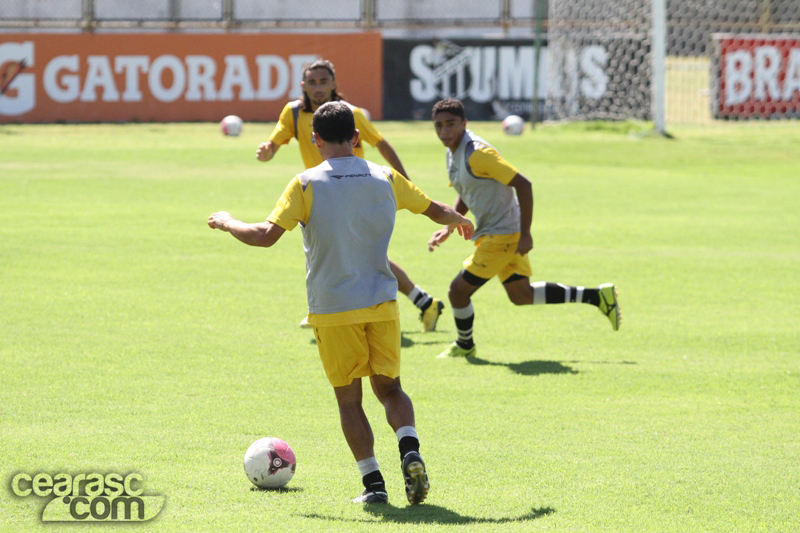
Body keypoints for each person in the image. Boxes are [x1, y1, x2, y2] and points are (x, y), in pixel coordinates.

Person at [210, 101, 474, 504]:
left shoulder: (306, 183)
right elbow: (434, 209)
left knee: (350, 400)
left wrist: (228, 221)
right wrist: (459, 219)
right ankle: (410, 451)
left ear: (315, 140)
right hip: (382, 302)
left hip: (333, 308)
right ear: (356, 137)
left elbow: (264, 236)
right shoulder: (385, 176)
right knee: (391, 390)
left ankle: (374, 485)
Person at [256, 59, 444, 332]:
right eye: (312, 82)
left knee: (358, 255)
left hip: (355, 191)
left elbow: (382, 145)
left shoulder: (350, 114)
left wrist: (405, 183)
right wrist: (267, 152)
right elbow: (274, 144)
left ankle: (334, 307)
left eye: (323, 81)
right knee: (353, 254)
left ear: (334, 84)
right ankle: (424, 302)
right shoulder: (293, 113)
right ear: (303, 86)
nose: (318, 88)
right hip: (320, 194)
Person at [427, 98, 621, 359]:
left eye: (450, 124)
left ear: (464, 123)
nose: (444, 131)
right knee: (521, 295)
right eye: (439, 125)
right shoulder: (453, 152)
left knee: (457, 291)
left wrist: (526, 233)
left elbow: (523, 184)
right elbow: (466, 190)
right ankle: (597, 297)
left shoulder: (479, 153)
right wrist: (451, 225)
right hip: (499, 232)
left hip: (503, 234)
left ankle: (464, 345)